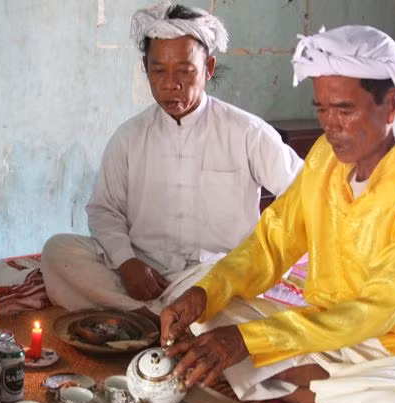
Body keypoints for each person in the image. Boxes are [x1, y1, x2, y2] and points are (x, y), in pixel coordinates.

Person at [160, 25, 395, 403]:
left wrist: (250, 341)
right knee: (198, 303)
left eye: (345, 110)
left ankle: (305, 392)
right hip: (323, 337)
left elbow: (378, 307)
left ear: (391, 104)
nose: (331, 126)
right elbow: (269, 245)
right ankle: (327, 394)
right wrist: (205, 294)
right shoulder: (324, 160)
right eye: (322, 110)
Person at [41, 2, 303, 315]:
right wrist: (126, 263)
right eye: (159, 71)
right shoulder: (129, 137)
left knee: (225, 289)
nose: (170, 84)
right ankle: (155, 317)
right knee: (59, 251)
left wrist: (259, 258)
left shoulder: (248, 132)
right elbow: (104, 210)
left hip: (212, 275)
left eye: (184, 71)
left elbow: (301, 196)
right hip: (144, 272)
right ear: (145, 68)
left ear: (208, 68)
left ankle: (143, 318)